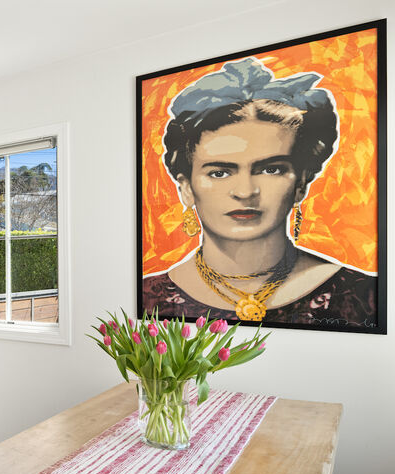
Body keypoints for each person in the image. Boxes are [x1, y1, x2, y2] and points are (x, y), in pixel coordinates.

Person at [142, 58, 377, 328]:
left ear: (300, 184)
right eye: (220, 173)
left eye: (271, 170)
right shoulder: (150, 298)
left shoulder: (364, 296)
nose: (245, 192)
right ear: (185, 188)